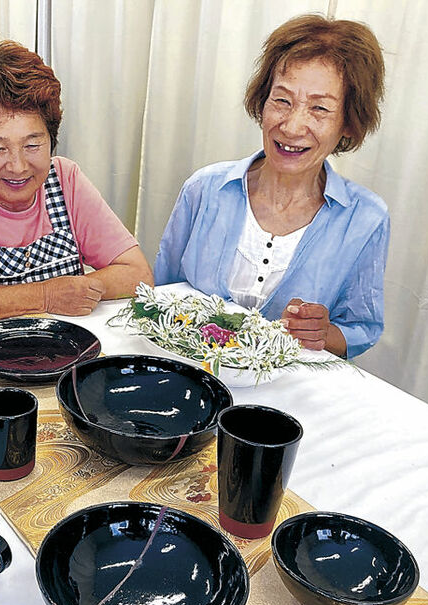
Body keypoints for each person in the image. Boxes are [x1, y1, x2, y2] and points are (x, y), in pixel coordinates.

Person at [154, 14, 389, 358]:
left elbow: (361, 329)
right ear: (262, 102)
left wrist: (322, 333)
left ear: (349, 124)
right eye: (282, 100)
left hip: (288, 394)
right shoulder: (204, 189)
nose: (292, 126)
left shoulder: (366, 218)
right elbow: (162, 293)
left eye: (319, 108)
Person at [0, 40, 152, 326]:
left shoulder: (65, 179)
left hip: (63, 350)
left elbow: (138, 275)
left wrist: (77, 291)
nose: (18, 167)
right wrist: (45, 296)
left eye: (32, 145)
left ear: (51, 139)